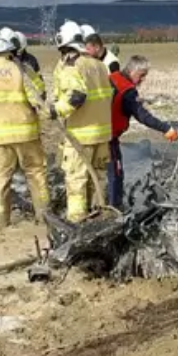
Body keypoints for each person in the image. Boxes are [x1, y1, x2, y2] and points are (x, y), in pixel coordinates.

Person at [0, 28, 49, 226]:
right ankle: (44, 219)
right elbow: (39, 95)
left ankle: (0, 222)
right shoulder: (22, 69)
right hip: (26, 133)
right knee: (36, 174)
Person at [49, 20, 114, 222]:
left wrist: (56, 110)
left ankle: (77, 221)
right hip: (102, 134)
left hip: (80, 134)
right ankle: (99, 216)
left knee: (76, 179)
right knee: (98, 178)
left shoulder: (72, 65)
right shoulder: (99, 65)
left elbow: (77, 96)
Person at [108, 55, 178, 209]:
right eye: (142, 75)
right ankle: (114, 209)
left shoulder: (113, 77)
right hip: (109, 136)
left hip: (96, 133)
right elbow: (142, 116)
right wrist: (166, 128)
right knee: (116, 174)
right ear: (133, 70)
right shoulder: (127, 91)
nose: (142, 80)